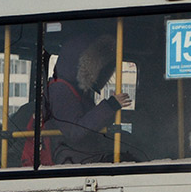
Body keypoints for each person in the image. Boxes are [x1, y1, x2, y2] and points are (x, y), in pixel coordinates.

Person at [45, 32, 131, 164]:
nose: (102, 73)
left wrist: (115, 113)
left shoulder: (77, 90)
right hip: (71, 161)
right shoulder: (60, 90)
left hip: (82, 158)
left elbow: (89, 125)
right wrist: (110, 106)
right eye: (99, 67)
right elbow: (75, 132)